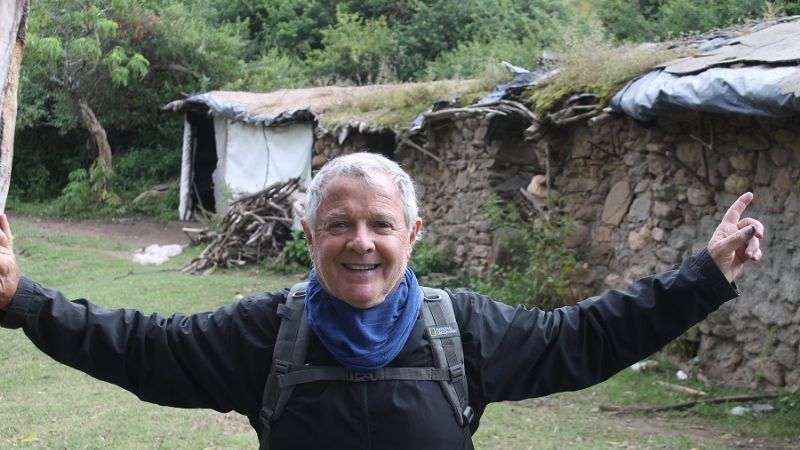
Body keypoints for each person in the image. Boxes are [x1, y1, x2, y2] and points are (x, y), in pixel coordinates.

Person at [0, 152, 764, 449]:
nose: (360, 241)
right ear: (309, 236)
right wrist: (22, 299)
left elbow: (588, 337)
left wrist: (704, 275)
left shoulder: (463, 329)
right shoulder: (266, 334)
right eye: (339, 224)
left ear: (413, 234)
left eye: (379, 224)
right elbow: (141, 346)